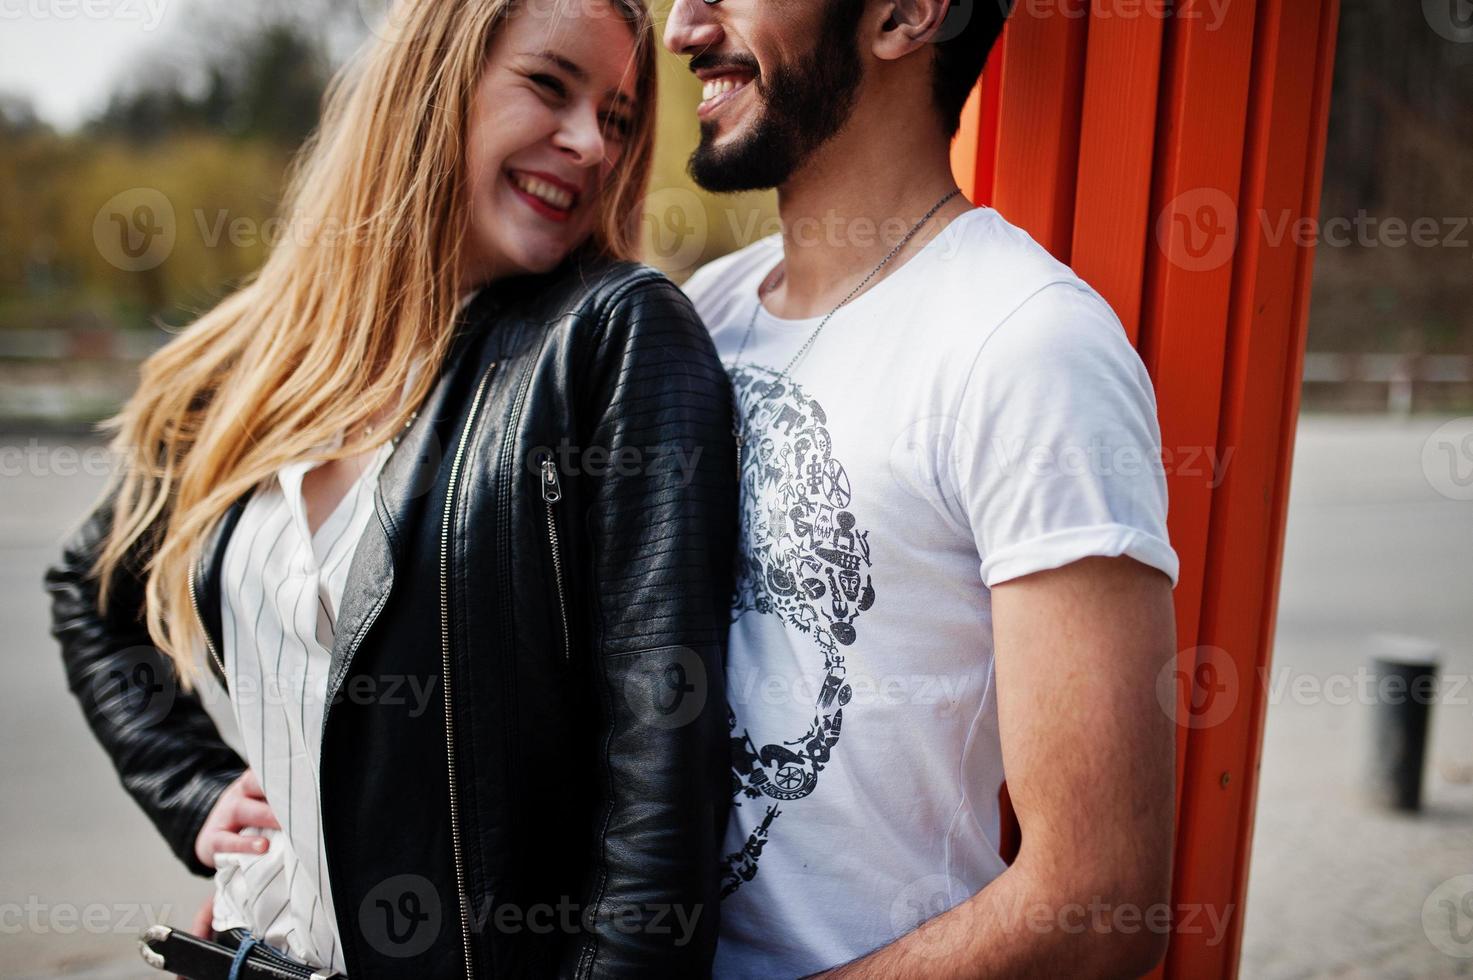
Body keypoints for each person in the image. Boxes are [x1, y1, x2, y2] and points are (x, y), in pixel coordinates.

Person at [45, 0, 736, 976]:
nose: (590, 144)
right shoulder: (260, 360)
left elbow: (662, 795)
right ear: (432, 82)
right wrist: (194, 791)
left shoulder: (613, 338)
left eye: (620, 120)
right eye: (550, 86)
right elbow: (91, 589)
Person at [664, 0, 1181, 977]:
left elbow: (1100, 904)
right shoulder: (694, 319)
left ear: (905, 14)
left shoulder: (1029, 347)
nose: (683, 27)